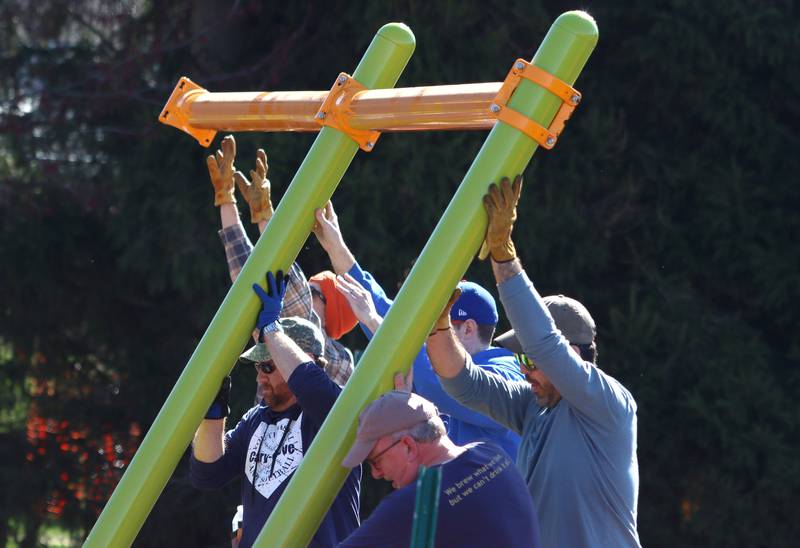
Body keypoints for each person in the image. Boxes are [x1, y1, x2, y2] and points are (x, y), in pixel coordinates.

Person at [427, 176, 642, 547]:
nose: (523, 369)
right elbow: (462, 381)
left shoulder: (609, 404)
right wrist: (438, 326)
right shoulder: (534, 409)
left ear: (572, 354)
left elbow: (545, 345)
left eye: (529, 359)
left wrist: (503, 253)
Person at [312, 201, 524, 460]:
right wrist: (335, 246)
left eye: (439, 324)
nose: (426, 335)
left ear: (468, 329)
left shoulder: (507, 377)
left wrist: (374, 323)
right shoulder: (458, 359)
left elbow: (442, 383)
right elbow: (387, 313)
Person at [190, 271, 361, 548]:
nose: (260, 377)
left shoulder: (330, 411)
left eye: (268, 366)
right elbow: (207, 475)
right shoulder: (255, 419)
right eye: (258, 367)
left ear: (302, 360)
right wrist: (212, 415)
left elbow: (310, 385)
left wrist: (271, 329)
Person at [207, 135, 356, 386]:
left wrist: (266, 217)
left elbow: (289, 284)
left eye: (313, 291)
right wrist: (226, 198)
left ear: (330, 313)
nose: (305, 290)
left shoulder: (337, 360)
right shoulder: (275, 326)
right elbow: (246, 270)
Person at [338, 387, 541, 547]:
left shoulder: (413, 503)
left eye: (376, 460)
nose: (376, 473)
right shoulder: (493, 454)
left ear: (408, 446)